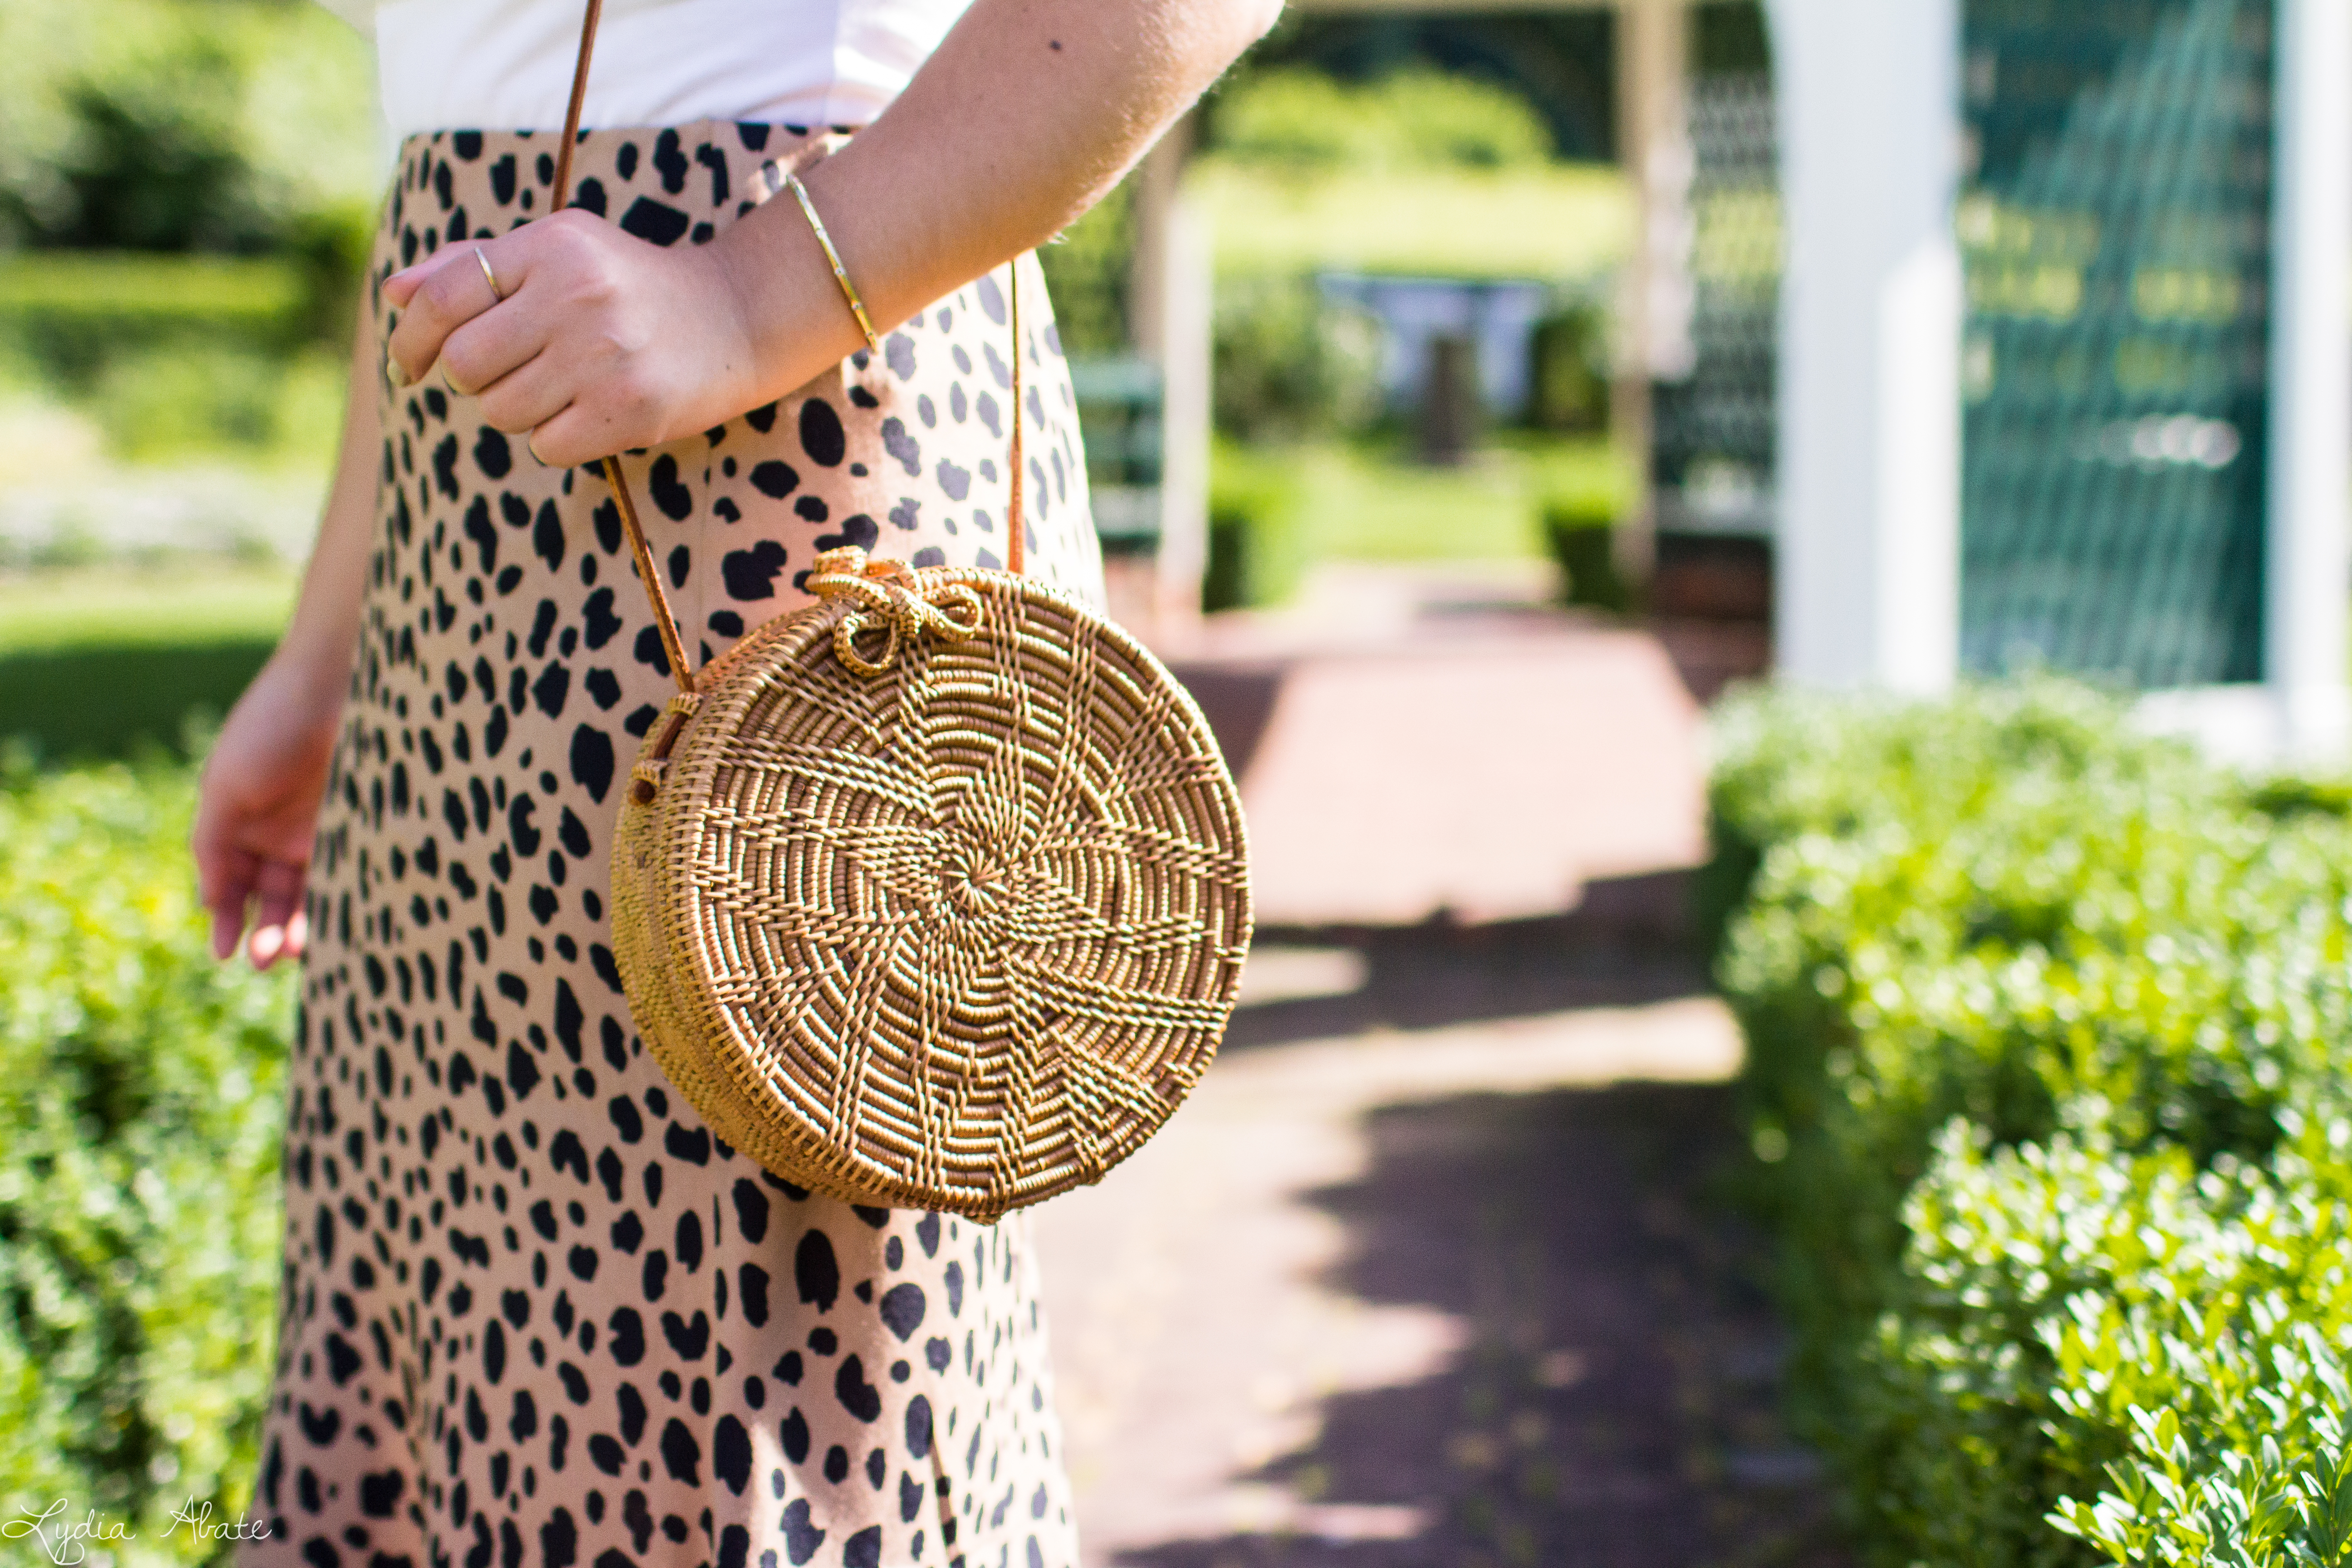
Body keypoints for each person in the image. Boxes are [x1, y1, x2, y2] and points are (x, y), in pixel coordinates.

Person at [191, 0, 1278, 1561]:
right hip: (485, 521)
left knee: (751, 1402)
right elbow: (452, 173)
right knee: (447, 1341)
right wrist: (323, 663)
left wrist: (749, 296)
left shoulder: (748, 297)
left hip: (769, 419)